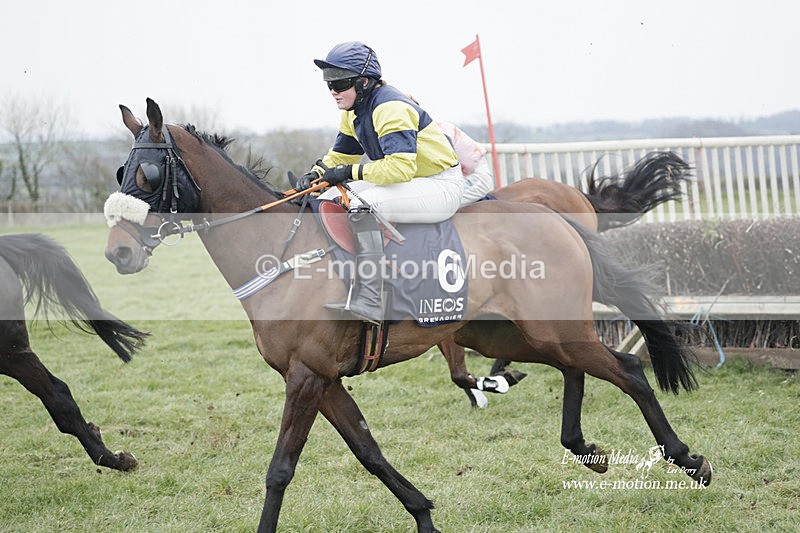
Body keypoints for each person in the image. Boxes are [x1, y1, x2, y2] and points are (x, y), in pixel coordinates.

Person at [298, 41, 464, 324]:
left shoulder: (390, 108)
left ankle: (373, 300)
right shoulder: (353, 112)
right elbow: (340, 156)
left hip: (439, 184)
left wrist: (350, 173)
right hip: (411, 181)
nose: (333, 92)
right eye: (329, 85)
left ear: (363, 82)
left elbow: (399, 168)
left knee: (366, 206)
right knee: (325, 199)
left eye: (339, 84)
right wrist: (317, 174)